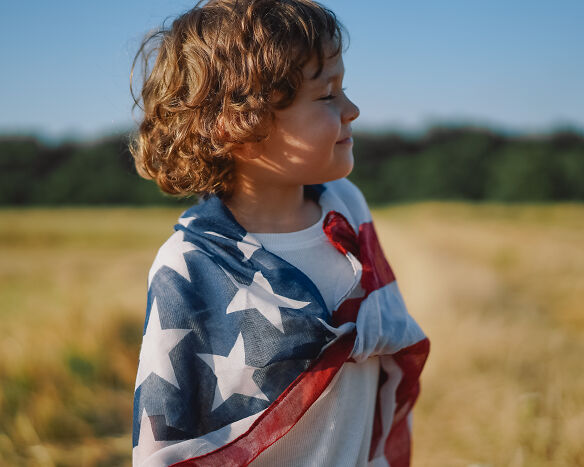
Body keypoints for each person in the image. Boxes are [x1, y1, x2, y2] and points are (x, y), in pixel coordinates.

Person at [128, 1, 430, 466]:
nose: (352, 109)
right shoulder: (189, 264)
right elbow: (167, 436)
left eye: (343, 89)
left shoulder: (348, 214)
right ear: (239, 123)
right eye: (327, 96)